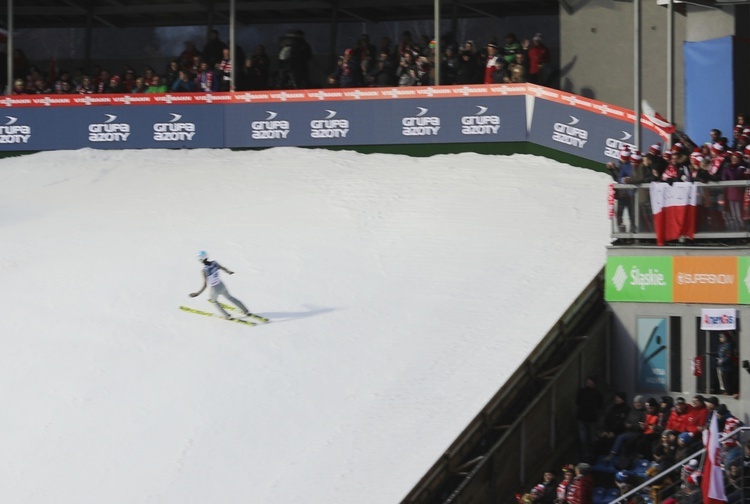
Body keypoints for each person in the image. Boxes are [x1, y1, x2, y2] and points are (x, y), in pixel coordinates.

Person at [189, 250, 252, 320]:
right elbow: (223, 268)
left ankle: (227, 316)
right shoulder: (215, 263)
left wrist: (197, 293)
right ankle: (246, 311)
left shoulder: (204, 270)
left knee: (214, 301)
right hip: (222, 285)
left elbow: (205, 285)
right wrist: (229, 272)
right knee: (230, 297)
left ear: (200, 260)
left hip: (214, 289)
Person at [576, 376, 603, 462]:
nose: (588, 382)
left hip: (592, 419)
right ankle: (585, 456)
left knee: (591, 439)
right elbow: (577, 402)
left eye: (590, 381)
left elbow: (600, 406)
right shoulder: (582, 391)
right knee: (583, 439)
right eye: (588, 381)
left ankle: (591, 455)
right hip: (582, 418)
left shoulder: (598, 393)